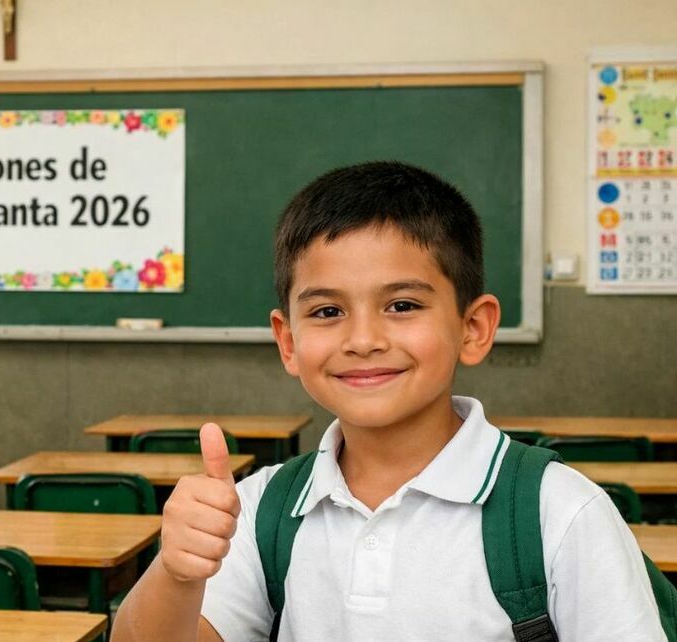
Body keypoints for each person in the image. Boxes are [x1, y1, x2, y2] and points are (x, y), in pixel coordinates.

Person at [112, 161, 665, 640]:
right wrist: (177, 573)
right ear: (288, 341)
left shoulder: (558, 512)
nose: (363, 339)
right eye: (328, 312)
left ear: (473, 328)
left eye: (401, 305)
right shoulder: (258, 510)